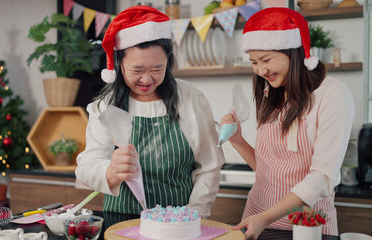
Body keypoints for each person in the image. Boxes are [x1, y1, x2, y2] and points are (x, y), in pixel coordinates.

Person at [76, 5, 225, 218]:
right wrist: (109, 171)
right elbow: (86, 166)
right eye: (137, 70)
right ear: (120, 64)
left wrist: (194, 215)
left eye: (157, 69)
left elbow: (209, 166)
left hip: (179, 223)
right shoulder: (105, 106)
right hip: (121, 222)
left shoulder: (191, 98)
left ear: (168, 62)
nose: (146, 79)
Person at [220, 8, 354, 239]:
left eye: (266, 60)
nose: (261, 70)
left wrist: (266, 217)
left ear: (293, 52)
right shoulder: (273, 93)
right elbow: (268, 170)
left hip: (307, 226)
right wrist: (238, 141)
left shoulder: (332, 95)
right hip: (257, 220)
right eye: (254, 62)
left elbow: (322, 177)